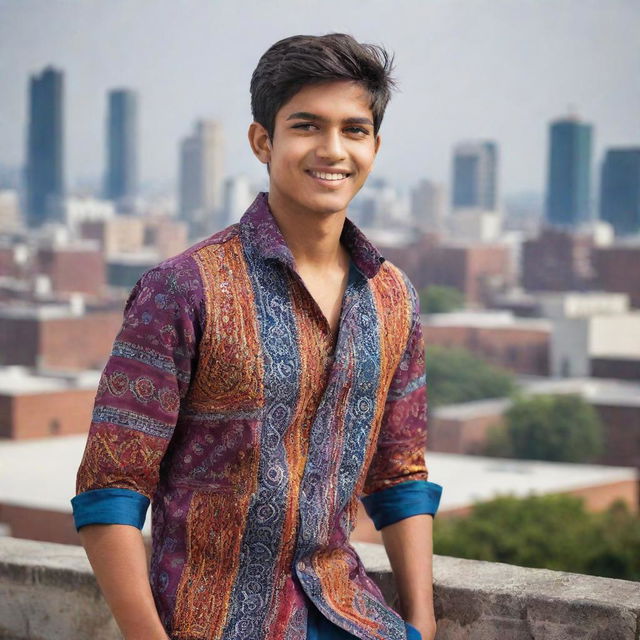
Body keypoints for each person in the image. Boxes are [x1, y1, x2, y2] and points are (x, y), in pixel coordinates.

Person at [72, 33, 443, 640]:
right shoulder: (182, 289)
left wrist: (421, 626)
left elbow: (400, 473)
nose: (332, 150)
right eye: (307, 126)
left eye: (353, 129)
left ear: (374, 145)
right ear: (262, 141)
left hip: (354, 620)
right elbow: (111, 486)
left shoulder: (392, 295)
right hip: (210, 624)